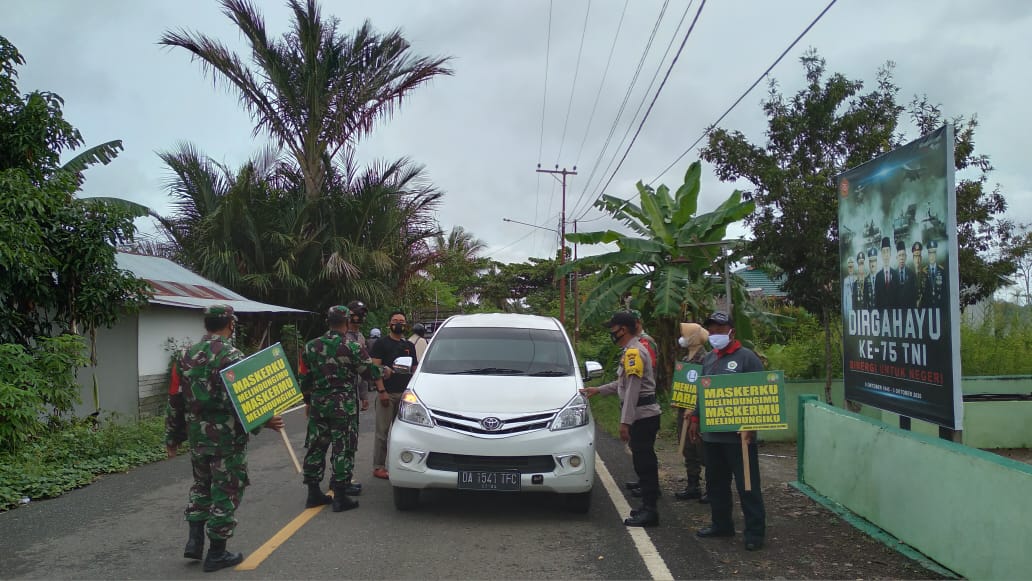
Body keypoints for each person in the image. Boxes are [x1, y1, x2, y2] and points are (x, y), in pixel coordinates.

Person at [165, 304, 284, 572]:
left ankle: (195, 542)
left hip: (198, 435)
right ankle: (217, 553)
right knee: (227, 489)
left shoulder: (184, 355)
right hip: (226, 437)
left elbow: (174, 399)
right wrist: (267, 422)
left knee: (201, 485)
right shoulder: (232, 355)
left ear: (206, 324)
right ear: (230, 324)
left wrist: (173, 437)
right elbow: (243, 399)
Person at [689, 311, 766, 551]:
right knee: (716, 483)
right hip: (712, 435)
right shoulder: (709, 358)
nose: (715, 334)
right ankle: (721, 525)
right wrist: (694, 416)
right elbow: (703, 392)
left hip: (739, 437)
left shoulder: (747, 358)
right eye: (711, 331)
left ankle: (754, 533)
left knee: (748, 486)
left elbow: (761, 393)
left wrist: (751, 425)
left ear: (731, 330)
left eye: (720, 330)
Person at [580, 311, 662, 527]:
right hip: (643, 415)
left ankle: (651, 510)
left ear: (622, 330)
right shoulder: (631, 351)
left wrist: (625, 422)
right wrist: (598, 389)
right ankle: (646, 506)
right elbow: (623, 384)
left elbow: (633, 390)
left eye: (613, 328)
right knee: (642, 462)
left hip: (642, 416)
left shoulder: (634, 352)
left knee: (645, 464)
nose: (611, 333)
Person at [299, 305, 383, 512]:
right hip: (343, 404)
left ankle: (313, 493)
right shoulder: (351, 346)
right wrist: (387, 371)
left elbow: (305, 378)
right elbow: (368, 372)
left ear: (328, 321)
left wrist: (308, 401)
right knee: (343, 447)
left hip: (319, 403)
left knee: (316, 446)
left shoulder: (311, 346)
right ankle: (340, 495)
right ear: (346, 322)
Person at [369, 310, 418, 479]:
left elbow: (414, 370)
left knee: (406, 433)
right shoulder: (381, 344)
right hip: (387, 395)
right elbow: (375, 369)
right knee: (382, 433)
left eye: (401, 321)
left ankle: (403, 464)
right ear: (389, 324)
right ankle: (378, 466)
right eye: (395, 320)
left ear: (406, 325)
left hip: (405, 397)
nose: (398, 323)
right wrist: (382, 391)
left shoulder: (409, 346)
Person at [674, 322, 709, 503]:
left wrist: (694, 409)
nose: (682, 338)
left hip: (699, 412)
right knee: (687, 447)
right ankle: (693, 485)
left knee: (703, 449)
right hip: (683, 410)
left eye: (685, 334)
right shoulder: (686, 360)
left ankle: (711, 488)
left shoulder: (706, 359)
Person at [874, 236, 896, 308]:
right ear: (881, 254)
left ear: (890, 253)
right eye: (883, 252)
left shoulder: (895, 274)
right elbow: (877, 300)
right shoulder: (878, 276)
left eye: (887, 251)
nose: (886, 255)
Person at [895, 239, 916, 306]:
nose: (901, 258)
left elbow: (914, 297)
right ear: (896, 258)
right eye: (899, 255)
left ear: (906, 257)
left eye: (903, 255)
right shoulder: (893, 275)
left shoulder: (911, 274)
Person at [926, 239, 947, 307]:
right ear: (927, 254)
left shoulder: (942, 271)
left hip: (940, 306)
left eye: (934, 252)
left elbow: (945, 291)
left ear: (936, 254)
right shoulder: (923, 271)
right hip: (927, 307)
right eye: (930, 253)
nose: (931, 256)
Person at [911, 241, 927, 307]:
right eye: (915, 257)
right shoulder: (909, 275)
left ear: (921, 258)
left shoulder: (926, 275)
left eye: (919, 256)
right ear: (913, 258)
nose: (917, 260)